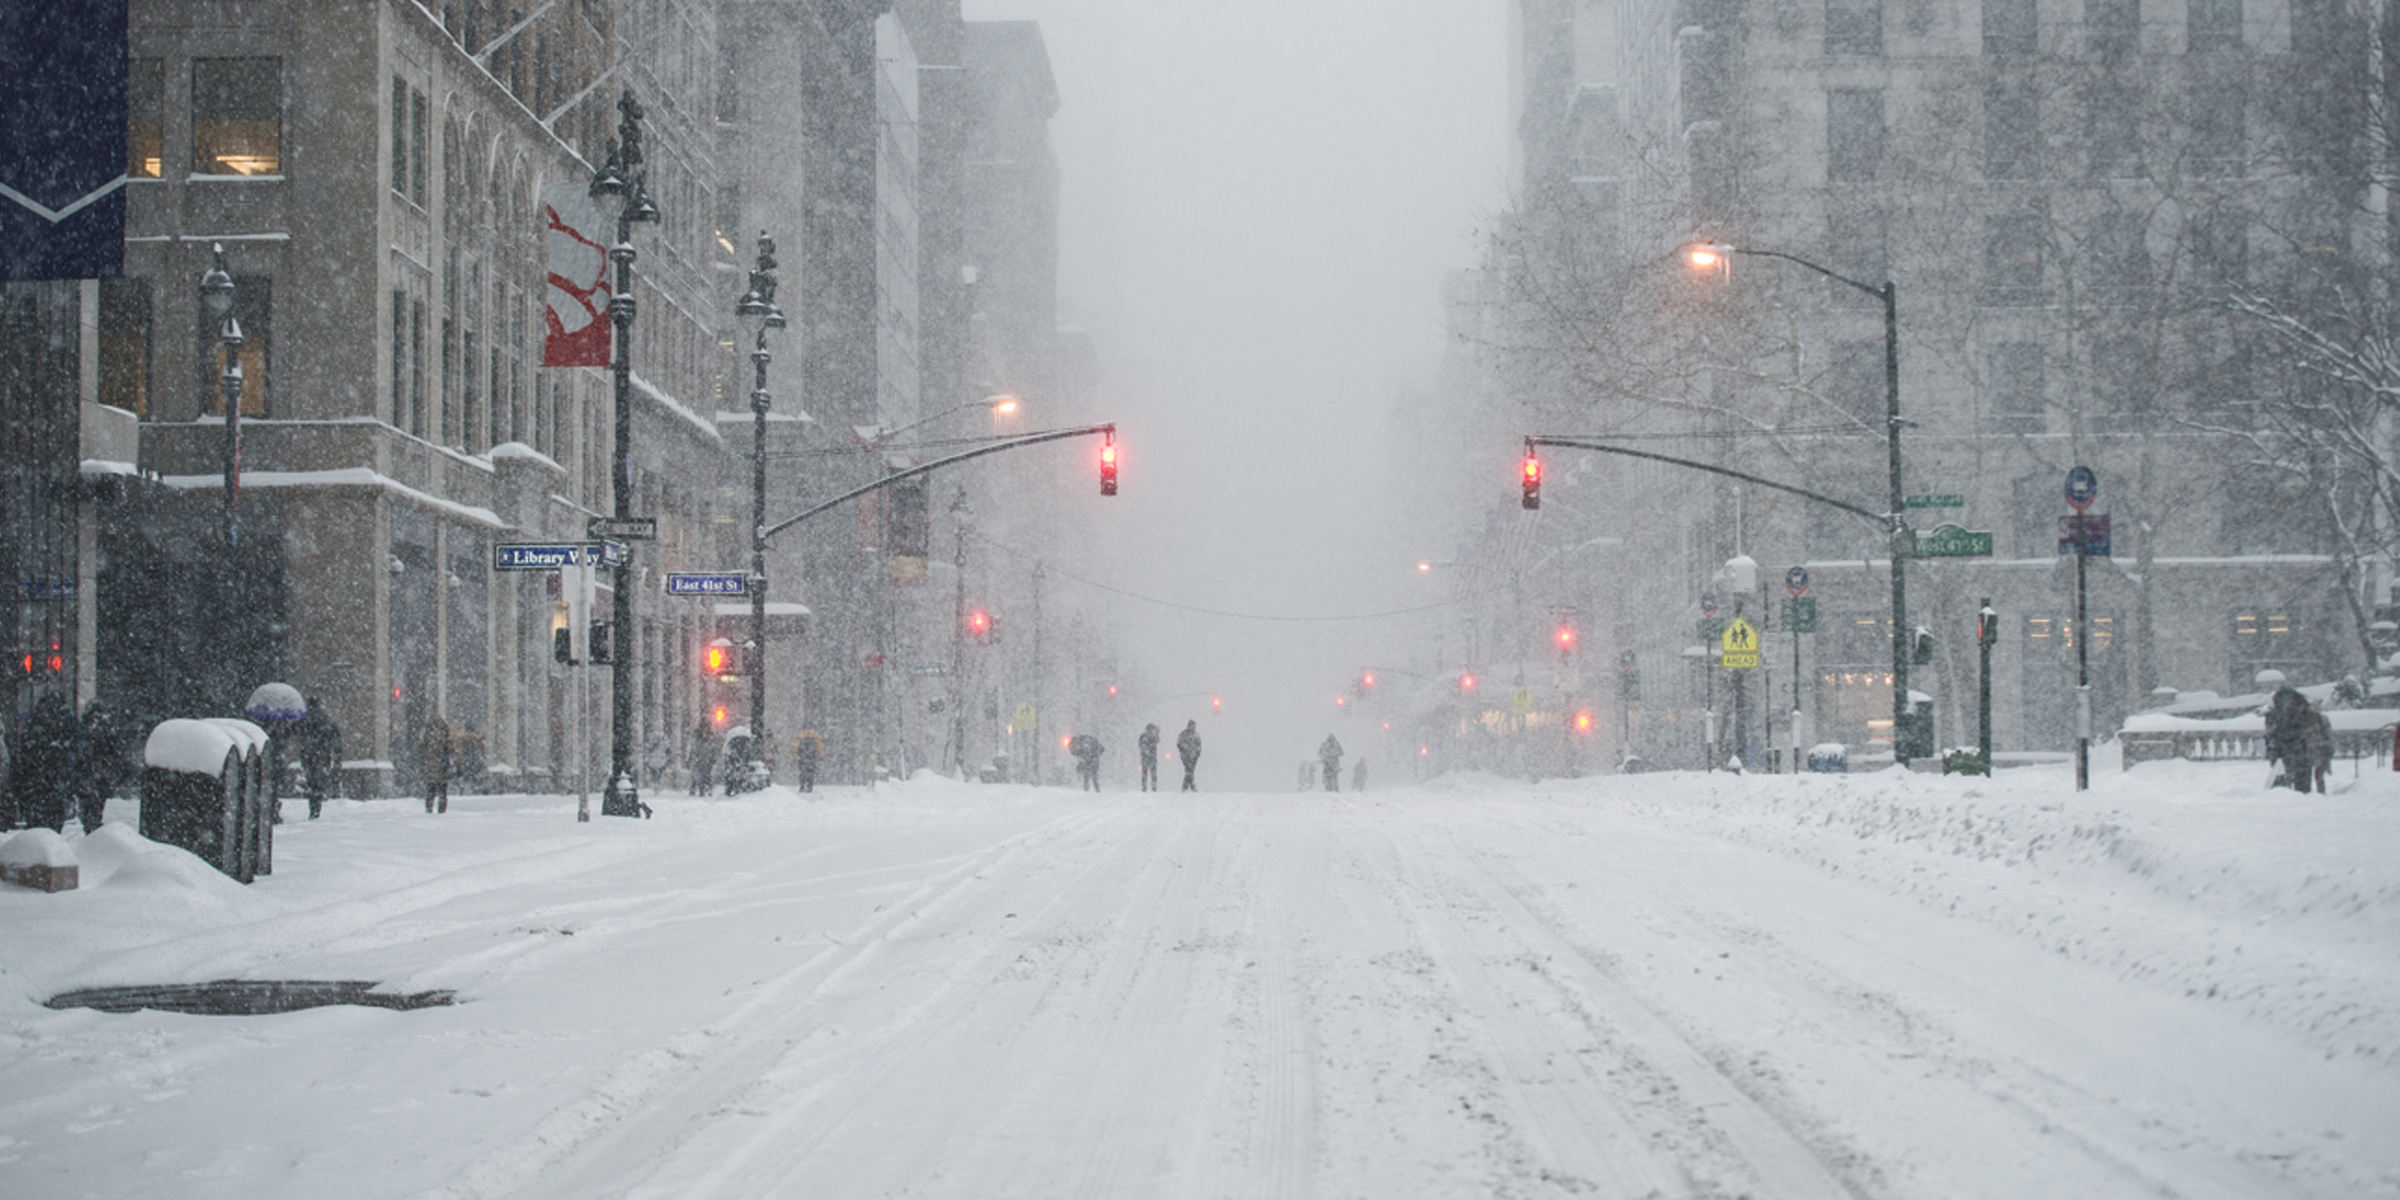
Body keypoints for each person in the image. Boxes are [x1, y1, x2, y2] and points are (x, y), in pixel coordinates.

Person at [14, 693, 81, 832]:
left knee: (37, 821)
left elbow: (25, 750)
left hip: (36, 779)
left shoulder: (36, 721)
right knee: (55, 815)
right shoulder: (65, 718)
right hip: (55, 777)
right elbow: (78, 744)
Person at [76, 701, 125, 834]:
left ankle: (91, 828)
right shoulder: (106, 729)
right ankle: (92, 829)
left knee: (90, 806)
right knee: (93, 806)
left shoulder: (85, 729)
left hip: (92, 776)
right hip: (97, 775)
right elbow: (116, 752)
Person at [293, 696, 342, 819]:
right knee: (320, 781)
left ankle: (312, 803)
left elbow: (292, 730)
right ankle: (317, 806)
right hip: (323, 756)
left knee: (311, 780)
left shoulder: (304, 718)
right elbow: (336, 739)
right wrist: (337, 758)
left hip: (307, 755)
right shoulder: (327, 719)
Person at [2265, 685, 2311, 790]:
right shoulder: (2300, 715)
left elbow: (2271, 733)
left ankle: (2282, 792)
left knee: (2282, 777)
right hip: (2298, 750)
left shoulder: (2274, 714)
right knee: (2301, 779)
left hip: (2280, 750)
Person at [419, 711, 452, 813]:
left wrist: (423, 763)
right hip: (442, 765)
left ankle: (429, 807)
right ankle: (442, 808)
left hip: (430, 766)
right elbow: (449, 748)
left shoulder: (426, 732)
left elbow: (421, 749)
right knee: (442, 790)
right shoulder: (445, 731)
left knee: (430, 789)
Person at [2306, 700, 2335, 794]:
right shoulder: (2323, 718)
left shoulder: (2305, 719)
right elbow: (2329, 734)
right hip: (2321, 748)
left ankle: (2309, 793)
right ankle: (2320, 791)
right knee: (2319, 774)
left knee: (2311, 773)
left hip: (2311, 748)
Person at [689, 719, 719, 796]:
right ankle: (707, 788)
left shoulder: (697, 734)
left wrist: (691, 756)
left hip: (699, 757)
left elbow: (693, 746)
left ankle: (700, 788)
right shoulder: (710, 735)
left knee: (698, 773)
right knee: (707, 774)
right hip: (707, 758)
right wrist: (713, 757)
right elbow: (714, 747)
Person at [792, 728, 823, 793]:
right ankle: (809, 786)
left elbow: (794, 746)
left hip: (802, 756)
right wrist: (821, 755)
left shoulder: (799, 734)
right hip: (812, 756)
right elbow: (820, 745)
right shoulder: (815, 734)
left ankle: (802, 785)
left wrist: (794, 756)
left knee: (802, 771)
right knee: (811, 772)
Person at [1175, 720, 1202, 792]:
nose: (1193, 728)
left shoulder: (1196, 736)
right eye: (1192, 726)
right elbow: (1179, 744)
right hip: (1185, 756)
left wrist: (1197, 753)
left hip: (1194, 757)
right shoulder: (1183, 734)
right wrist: (1185, 750)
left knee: (1190, 771)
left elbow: (1199, 745)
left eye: (1194, 726)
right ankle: (1191, 786)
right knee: (1189, 770)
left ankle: (1186, 787)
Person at [1137, 723, 1160, 791]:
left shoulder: (1143, 736)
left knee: (1144, 772)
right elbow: (1157, 741)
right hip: (1152, 756)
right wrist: (1157, 733)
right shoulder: (1153, 736)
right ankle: (1153, 786)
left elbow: (1140, 745)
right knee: (1153, 772)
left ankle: (1144, 786)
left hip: (1144, 757)